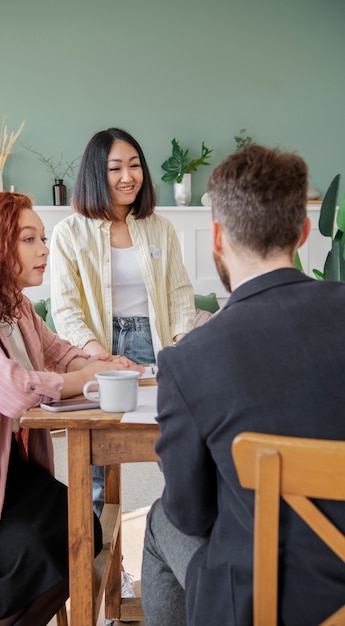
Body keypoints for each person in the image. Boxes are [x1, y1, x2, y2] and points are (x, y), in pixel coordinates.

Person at [140, 144, 345, 626]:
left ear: (217, 237)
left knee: (158, 520)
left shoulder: (188, 361)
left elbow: (190, 515)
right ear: (301, 232)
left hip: (261, 604)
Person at [0, 192, 143, 626]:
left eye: (42, 238)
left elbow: (59, 353)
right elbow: (11, 388)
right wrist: (80, 380)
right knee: (45, 547)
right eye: (29, 239)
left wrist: (100, 364)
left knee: (85, 529)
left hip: (7, 469)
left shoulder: (16, 304)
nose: (44, 249)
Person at [50, 127, 195, 519]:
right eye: (116, 168)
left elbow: (180, 293)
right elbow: (65, 309)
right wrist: (100, 359)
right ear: (97, 173)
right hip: (98, 347)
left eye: (134, 166)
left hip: (155, 343)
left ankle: (183, 545)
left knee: (174, 449)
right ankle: (99, 565)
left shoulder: (159, 228)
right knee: (98, 462)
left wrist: (180, 347)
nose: (128, 176)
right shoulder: (69, 232)